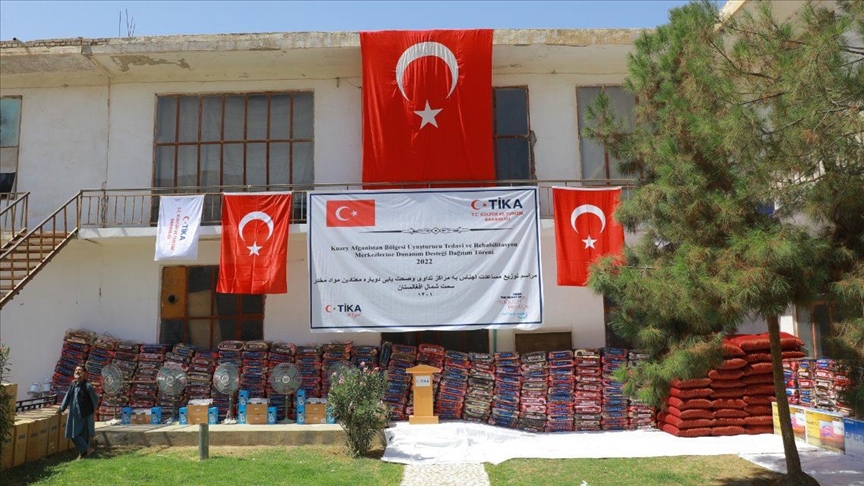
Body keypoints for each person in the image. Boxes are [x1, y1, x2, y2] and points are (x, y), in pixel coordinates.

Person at [58, 365, 99, 459]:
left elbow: (95, 400)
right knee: (72, 433)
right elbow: (67, 396)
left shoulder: (87, 386)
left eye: (80, 370)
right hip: (73, 414)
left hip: (85, 414)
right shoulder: (73, 384)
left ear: (84, 374)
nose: (77, 371)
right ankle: (88, 450)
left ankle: (83, 454)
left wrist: (92, 411)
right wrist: (61, 408)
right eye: (76, 370)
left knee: (84, 435)